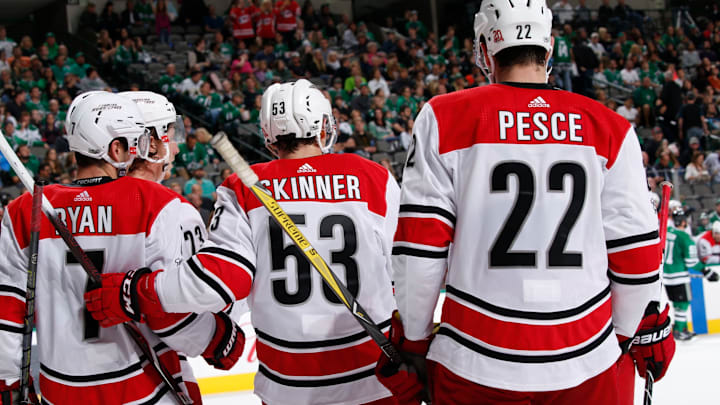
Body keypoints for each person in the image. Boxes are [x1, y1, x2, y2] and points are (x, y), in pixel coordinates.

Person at [377, 1, 673, 404]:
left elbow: (419, 250)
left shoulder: (445, 116)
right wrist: (619, 336)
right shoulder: (610, 127)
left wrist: (414, 338)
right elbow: (637, 258)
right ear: (549, 48)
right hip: (588, 361)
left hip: (475, 360)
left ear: (485, 50)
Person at [85, 79, 401, 405]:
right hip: (375, 376)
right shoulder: (373, 176)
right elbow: (408, 269)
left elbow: (223, 279)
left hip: (288, 386)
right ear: (323, 127)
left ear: (268, 134)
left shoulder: (245, 188)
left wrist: (137, 291)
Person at [0, 91, 245, 404]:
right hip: (141, 384)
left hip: (59, 389)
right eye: (133, 142)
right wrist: (218, 338)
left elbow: (8, 309)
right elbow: (170, 314)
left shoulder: (24, 209)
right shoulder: (156, 204)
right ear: (116, 148)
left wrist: (8, 382)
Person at [663, 209, 700, 341]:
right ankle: (679, 331)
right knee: (683, 304)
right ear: (684, 222)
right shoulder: (684, 237)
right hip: (679, 276)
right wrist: (706, 271)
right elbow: (692, 262)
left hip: (666, 277)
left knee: (677, 304)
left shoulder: (666, 232)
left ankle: (682, 328)